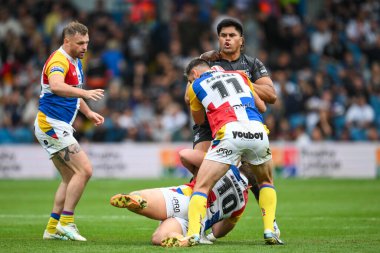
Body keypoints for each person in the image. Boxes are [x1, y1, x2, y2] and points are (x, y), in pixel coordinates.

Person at [171, 58, 284, 247]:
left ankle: (192, 234)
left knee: (202, 187)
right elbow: (263, 107)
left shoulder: (195, 85)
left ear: (195, 75)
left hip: (229, 132)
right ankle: (270, 231)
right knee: (265, 181)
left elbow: (199, 121)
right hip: (257, 130)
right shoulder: (240, 75)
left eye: (190, 80)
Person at [184, 17, 280, 236]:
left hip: (239, 121)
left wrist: (241, 81)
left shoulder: (252, 65)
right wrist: (202, 65)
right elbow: (189, 99)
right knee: (202, 176)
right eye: (223, 36)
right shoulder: (205, 62)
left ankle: (270, 223)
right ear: (218, 39)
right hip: (210, 128)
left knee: (253, 177)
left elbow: (272, 96)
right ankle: (198, 222)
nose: (227, 40)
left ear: (241, 40)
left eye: (232, 36)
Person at [34, 21, 105, 241]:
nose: (85, 47)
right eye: (80, 43)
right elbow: (56, 86)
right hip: (51, 125)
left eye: (87, 42)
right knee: (85, 170)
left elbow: (73, 92)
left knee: (70, 177)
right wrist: (85, 95)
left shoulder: (75, 60)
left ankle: (52, 228)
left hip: (57, 125)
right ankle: (67, 222)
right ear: (67, 41)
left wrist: (88, 113)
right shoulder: (59, 60)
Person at [110, 161, 250, 247]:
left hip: (185, 198)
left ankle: (138, 201)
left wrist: (195, 171)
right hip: (195, 223)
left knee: (138, 195)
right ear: (250, 187)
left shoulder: (227, 167)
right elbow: (218, 232)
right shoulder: (242, 203)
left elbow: (185, 154)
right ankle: (179, 238)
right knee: (158, 237)